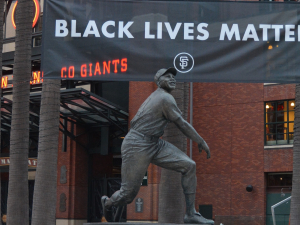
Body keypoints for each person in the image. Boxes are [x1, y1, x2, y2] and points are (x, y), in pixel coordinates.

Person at [101, 67, 214, 224]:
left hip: (154, 142)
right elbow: (181, 124)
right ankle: (107, 202)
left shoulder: (165, 97)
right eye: (167, 77)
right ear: (159, 82)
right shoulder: (164, 98)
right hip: (137, 143)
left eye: (173, 77)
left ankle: (190, 214)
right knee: (128, 195)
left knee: (189, 166)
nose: (172, 79)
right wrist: (200, 140)